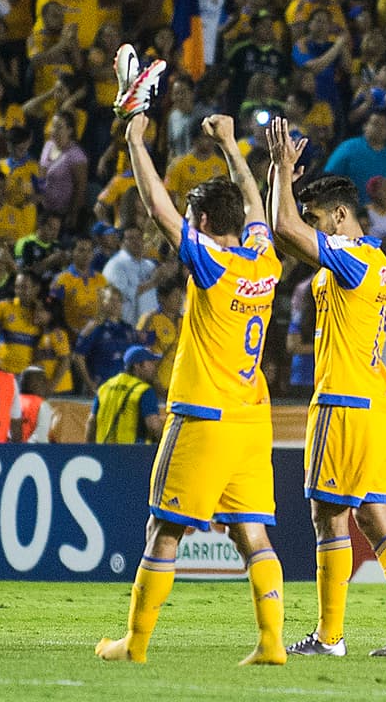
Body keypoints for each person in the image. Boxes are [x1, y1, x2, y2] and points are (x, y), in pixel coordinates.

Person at [95, 102, 286, 665]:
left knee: (164, 530)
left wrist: (135, 140)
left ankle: (135, 644)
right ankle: (271, 642)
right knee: (252, 534)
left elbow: (157, 208)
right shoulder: (265, 260)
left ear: (200, 222)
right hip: (251, 421)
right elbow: (254, 202)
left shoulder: (213, 264)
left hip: (203, 415)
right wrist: (230, 144)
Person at [266, 118, 386, 658]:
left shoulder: (354, 258)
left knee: (329, 517)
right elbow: (285, 234)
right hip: (373, 403)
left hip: (343, 402)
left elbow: (284, 227)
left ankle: (329, 636)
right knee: (373, 515)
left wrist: (280, 170)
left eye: (318, 219)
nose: (313, 228)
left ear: (341, 216)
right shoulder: (363, 261)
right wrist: (283, 182)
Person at [86, 345, 163, 444]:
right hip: (133, 451)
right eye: (150, 362)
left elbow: (91, 422)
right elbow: (154, 426)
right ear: (137, 365)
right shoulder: (144, 391)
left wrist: (90, 448)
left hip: (104, 450)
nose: (154, 367)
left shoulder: (105, 387)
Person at [18, 366, 57, 443]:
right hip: (31, 448)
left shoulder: (12, 401)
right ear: (36, 384)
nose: (46, 386)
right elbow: (40, 437)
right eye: (44, 382)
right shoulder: (42, 405)